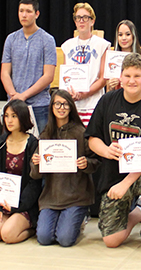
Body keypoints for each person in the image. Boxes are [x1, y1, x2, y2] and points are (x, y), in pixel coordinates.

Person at [85, 53, 141, 253]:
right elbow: (92, 138)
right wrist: (106, 150)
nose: (132, 81)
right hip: (113, 175)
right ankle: (139, 213)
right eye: (128, 75)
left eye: (137, 76)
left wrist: (126, 184)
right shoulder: (107, 101)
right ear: (120, 77)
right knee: (111, 241)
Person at [31, 90, 99, 246]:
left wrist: (86, 163)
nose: (61, 108)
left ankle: (80, 219)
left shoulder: (81, 132)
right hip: (51, 197)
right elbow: (35, 175)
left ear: (71, 107)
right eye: (57, 104)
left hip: (75, 197)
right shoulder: (46, 134)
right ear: (52, 107)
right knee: (44, 238)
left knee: (65, 239)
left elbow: (96, 161)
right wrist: (36, 163)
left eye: (65, 104)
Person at [0, 99, 42, 244]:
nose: (9, 120)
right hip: (3, 201)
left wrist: (17, 205)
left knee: (8, 235)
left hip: (24, 204)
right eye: (6, 116)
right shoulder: (0, 143)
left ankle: (32, 228)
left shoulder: (33, 143)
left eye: (14, 116)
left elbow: (34, 183)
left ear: (23, 117)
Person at [1, 0, 57, 133]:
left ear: (37, 14)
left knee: (39, 148)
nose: (24, 15)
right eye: (21, 11)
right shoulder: (11, 39)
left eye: (28, 11)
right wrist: (14, 95)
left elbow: (48, 76)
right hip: (14, 104)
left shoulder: (47, 40)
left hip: (39, 106)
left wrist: (24, 96)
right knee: (11, 146)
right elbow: (4, 73)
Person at [60, 3, 110, 126]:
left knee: (90, 141)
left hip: (93, 104)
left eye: (85, 17)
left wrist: (84, 94)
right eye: (78, 18)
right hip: (72, 104)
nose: (81, 21)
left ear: (92, 21)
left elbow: (103, 78)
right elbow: (65, 77)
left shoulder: (102, 45)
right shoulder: (67, 45)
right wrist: (71, 94)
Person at [105, 20, 141, 91]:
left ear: (133, 36)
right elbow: (108, 92)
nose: (123, 38)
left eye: (128, 34)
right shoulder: (112, 59)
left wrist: (132, 86)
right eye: (120, 35)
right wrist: (111, 86)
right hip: (117, 99)